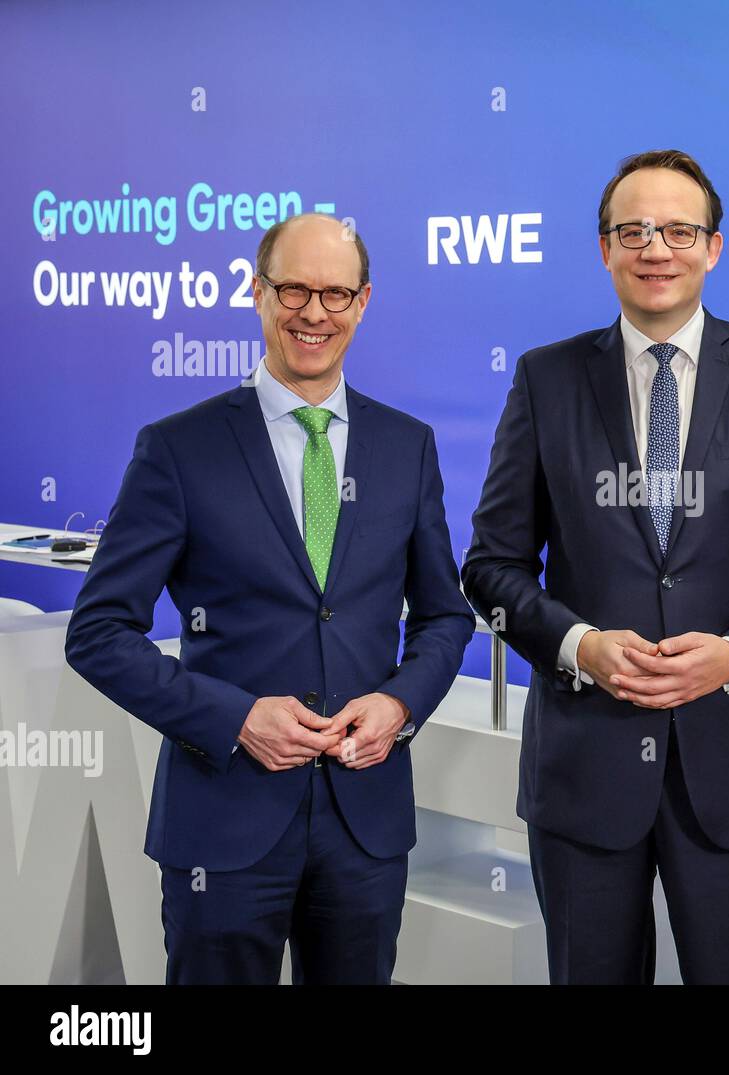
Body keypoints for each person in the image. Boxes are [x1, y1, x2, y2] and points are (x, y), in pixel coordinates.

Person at [462, 149, 729, 984]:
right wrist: (578, 645)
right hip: (584, 772)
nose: (657, 249)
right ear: (604, 247)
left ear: (713, 248)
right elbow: (493, 565)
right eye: (633, 230)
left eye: (679, 230)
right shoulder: (545, 378)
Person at [64, 213, 475, 984]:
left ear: (363, 301)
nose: (313, 312)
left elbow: (445, 615)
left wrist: (399, 705)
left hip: (365, 824)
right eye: (293, 289)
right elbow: (98, 632)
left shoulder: (406, 445)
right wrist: (235, 717)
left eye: (335, 293)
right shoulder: (179, 447)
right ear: (257, 293)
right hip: (223, 825)